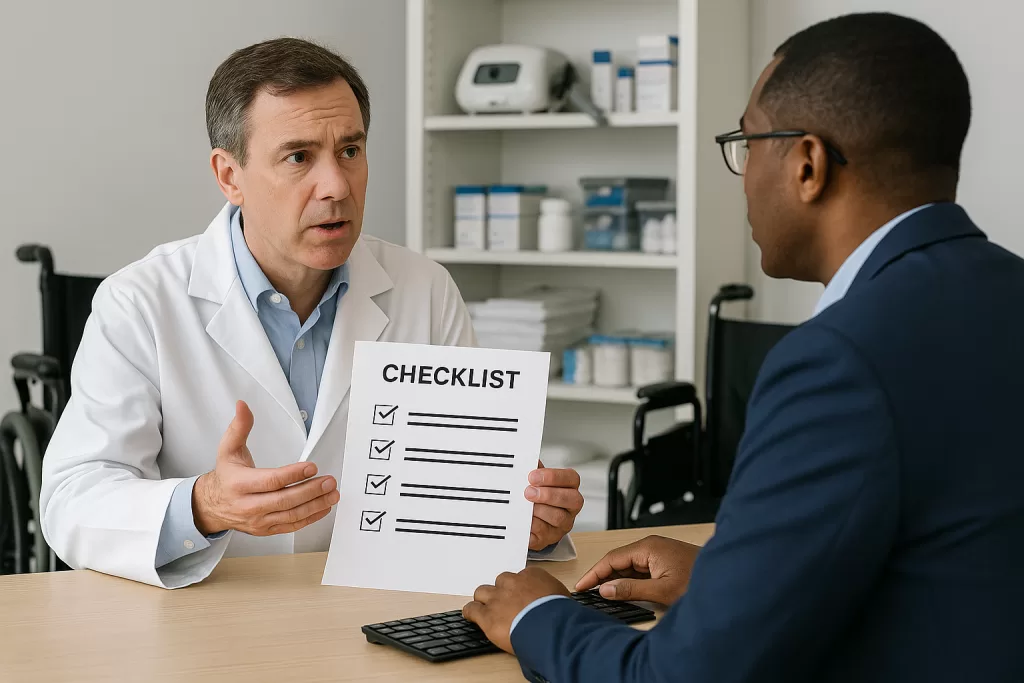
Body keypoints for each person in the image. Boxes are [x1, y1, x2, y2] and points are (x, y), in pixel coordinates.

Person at [464, 12, 1024, 683]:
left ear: (808, 165)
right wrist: (734, 582)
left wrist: (538, 616)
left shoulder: (837, 361)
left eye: (748, 142)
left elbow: (680, 678)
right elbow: (953, 563)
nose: (743, 172)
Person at [38, 38, 583, 590]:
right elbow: (72, 499)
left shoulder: (426, 289)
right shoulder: (139, 301)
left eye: (350, 150)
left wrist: (524, 520)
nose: (337, 186)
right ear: (230, 176)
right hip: (203, 625)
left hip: (376, 616)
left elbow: (469, 495)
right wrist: (204, 505)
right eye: (299, 157)